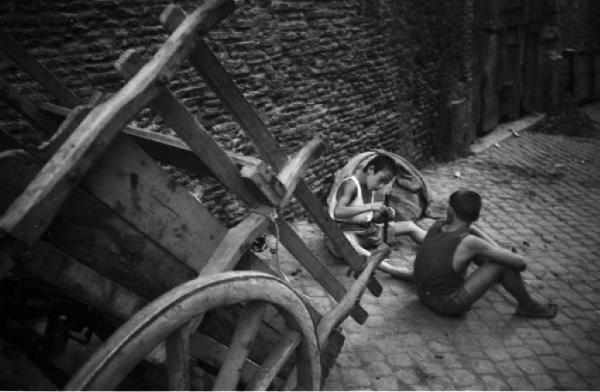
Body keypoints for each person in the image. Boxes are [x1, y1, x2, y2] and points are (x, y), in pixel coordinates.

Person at [413, 189, 558, 318]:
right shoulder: (470, 243)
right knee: (500, 265)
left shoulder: (438, 225)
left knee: (488, 255)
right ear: (476, 218)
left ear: (450, 210)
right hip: (446, 304)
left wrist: (493, 249)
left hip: (422, 294)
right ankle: (528, 306)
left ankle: (503, 279)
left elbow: (471, 234)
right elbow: (521, 263)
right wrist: (502, 253)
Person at [328, 154, 426, 279]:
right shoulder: (351, 185)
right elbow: (338, 212)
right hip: (343, 234)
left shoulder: (373, 188)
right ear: (370, 170)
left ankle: (437, 242)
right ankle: (395, 270)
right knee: (350, 244)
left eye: (385, 183)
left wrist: (385, 215)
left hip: (366, 232)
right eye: (381, 180)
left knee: (410, 226)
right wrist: (370, 206)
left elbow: (373, 218)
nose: (381, 186)